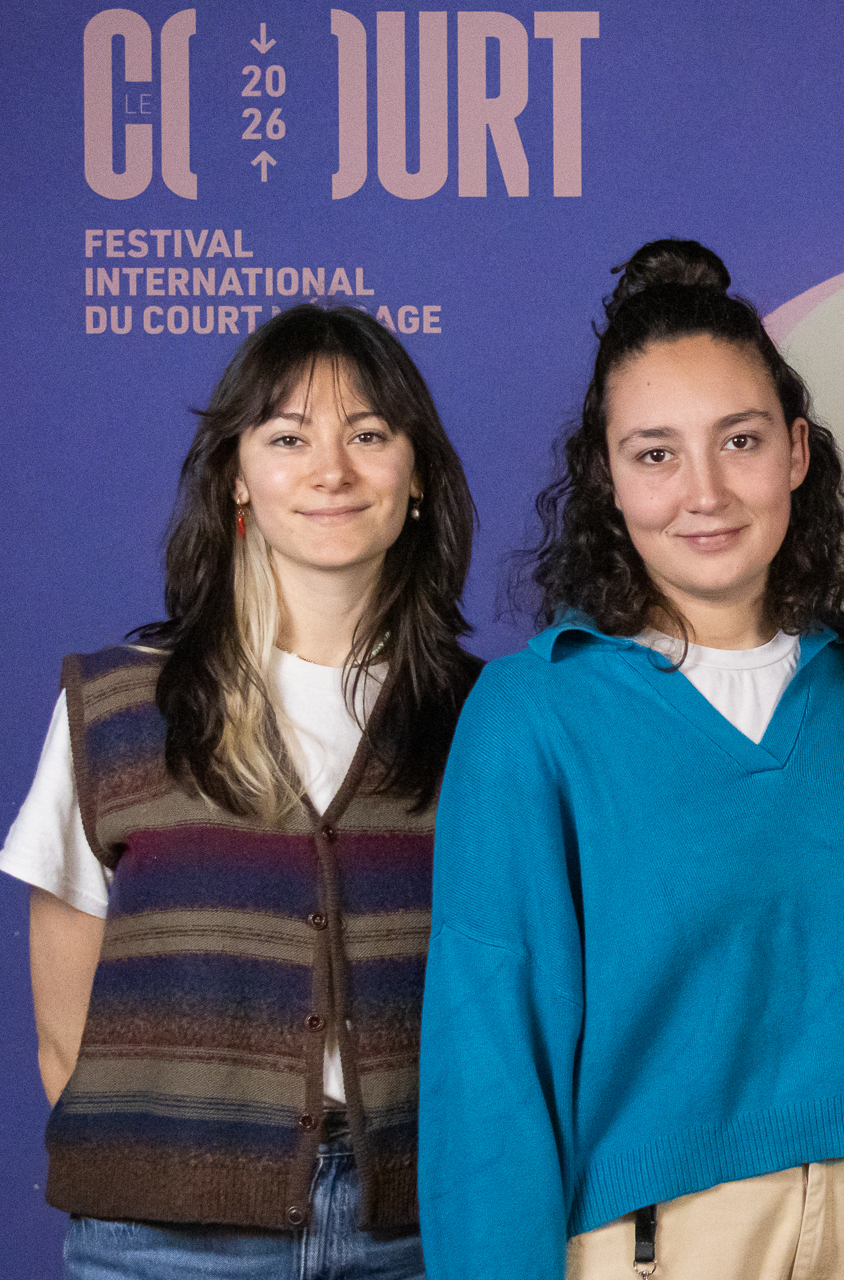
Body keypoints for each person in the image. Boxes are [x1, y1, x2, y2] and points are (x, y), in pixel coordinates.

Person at [416, 239, 844, 1280]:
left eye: (739, 440)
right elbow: (489, 1069)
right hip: (665, 1238)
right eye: (655, 454)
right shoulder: (534, 712)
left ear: (796, 451)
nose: (704, 492)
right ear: (608, 479)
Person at [0, 303, 480, 1277]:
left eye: (369, 435)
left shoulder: (488, 718)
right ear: (236, 476)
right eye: (288, 437)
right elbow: (62, 1030)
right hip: (162, 1238)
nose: (331, 471)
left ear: (419, 475)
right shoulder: (118, 707)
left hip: (423, 1229)